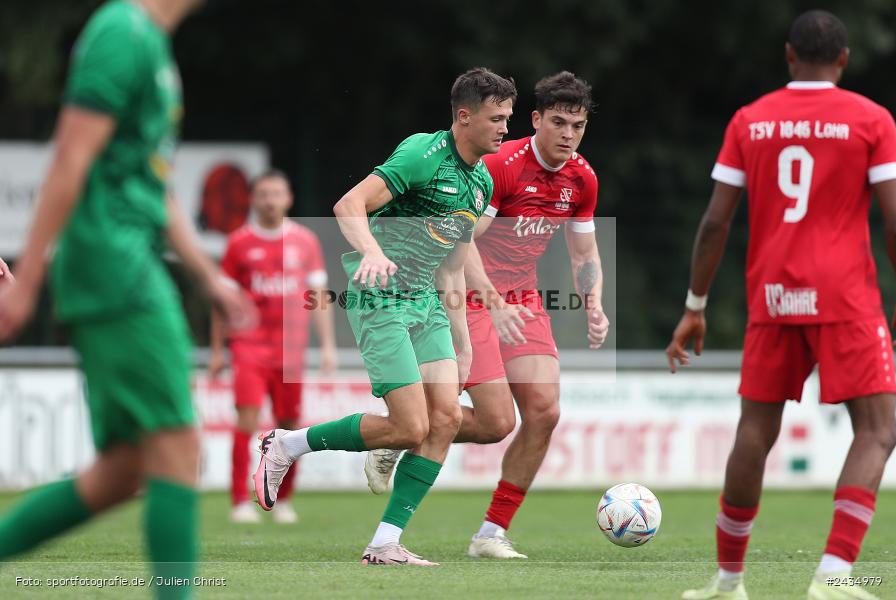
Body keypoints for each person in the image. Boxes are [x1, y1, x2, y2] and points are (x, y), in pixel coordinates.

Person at [0, 1, 254, 598]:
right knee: (177, 446)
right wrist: (30, 278)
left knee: (123, 470)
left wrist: (207, 276)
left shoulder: (154, 46)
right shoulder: (122, 32)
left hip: (127, 257)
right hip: (112, 261)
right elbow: (69, 155)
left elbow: (150, 184)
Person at [667, 11, 896, 600]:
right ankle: (836, 575)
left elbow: (715, 222)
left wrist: (696, 304)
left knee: (755, 431)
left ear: (790, 57)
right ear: (844, 59)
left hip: (771, 295)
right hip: (846, 296)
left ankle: (727, 582)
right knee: (876, 429)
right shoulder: (873, 120)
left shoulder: (752, 119)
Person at [252, 67, 517, 565]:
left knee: (440, 420)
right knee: (409, 427)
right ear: (464, 117)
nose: (505, 128)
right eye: (495, 118)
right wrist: (372, 251)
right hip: (379, 296)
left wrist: (463, 345)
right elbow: (348, 205)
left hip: (426, 302)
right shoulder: (422, 153)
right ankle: (286, 445)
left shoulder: (480, 183)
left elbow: (454, 267)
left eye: (508, 118)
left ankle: (384, 543)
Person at [364, 71, 609, 559]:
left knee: (541, 412)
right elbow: (461, 243)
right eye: (558, 122)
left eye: (577, 126)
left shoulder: (581, 178)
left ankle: (491, 533)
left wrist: (594, 301)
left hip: (524, 300)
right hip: (470, 296)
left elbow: (584, 253)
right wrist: (492, 304)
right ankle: (397, 435)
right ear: (536, 120)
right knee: (491, 420)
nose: (568, 134)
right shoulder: (501, 165)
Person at [209, 169, 337, 525]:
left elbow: (318, 297)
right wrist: (219, 350)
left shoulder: (305, 241)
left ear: (288, 198)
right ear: (253, 199)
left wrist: (327, 345)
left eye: (276, 193)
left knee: (289, 425)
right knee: (246, 419)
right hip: (249, 347)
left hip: (290, 351)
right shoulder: (238, 243)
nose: (269, 200)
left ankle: (282, 500)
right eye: (263, 194)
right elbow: (222, 300)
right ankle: (239, 501)